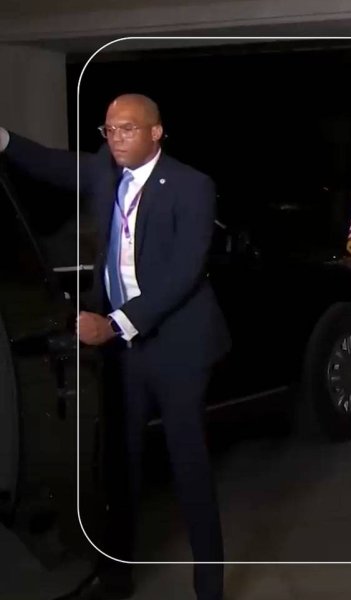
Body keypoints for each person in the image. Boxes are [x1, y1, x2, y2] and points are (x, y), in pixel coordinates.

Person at [1, 94, 230, 600]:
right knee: (119, 465)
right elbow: (49, 163)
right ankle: (116, 574)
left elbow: (183, 273)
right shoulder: (105, 171)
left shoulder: (192, 185)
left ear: (156, 132)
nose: (116, 138)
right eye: (109, 130)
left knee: (189, 465)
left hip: (178, 346)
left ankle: (209, 586)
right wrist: (3, 140)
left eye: (127, 129)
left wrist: (115, 323)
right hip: (124, 353)